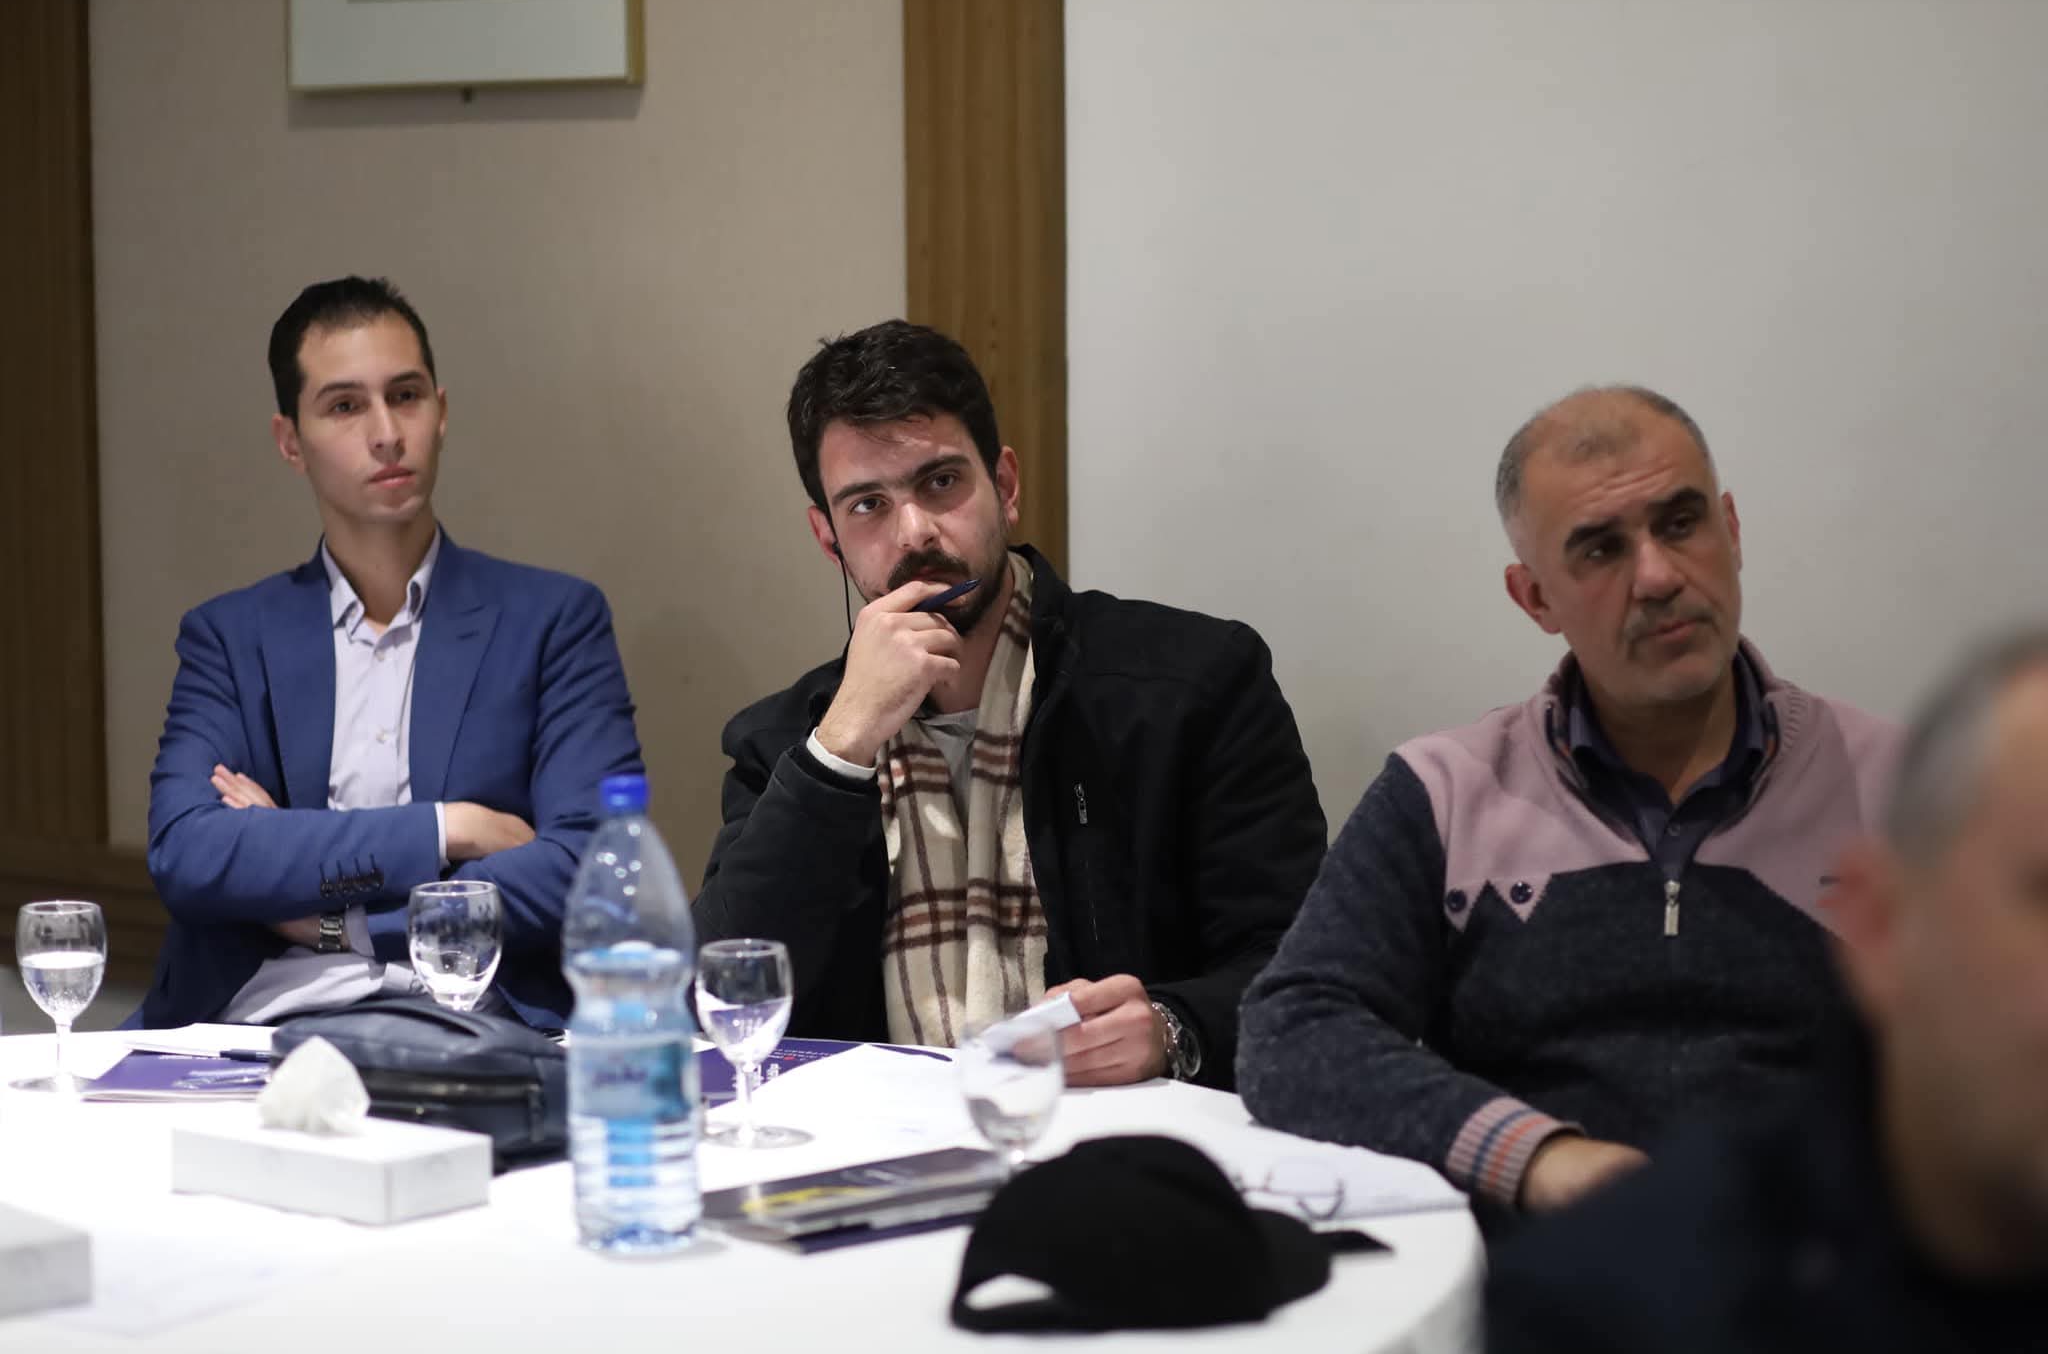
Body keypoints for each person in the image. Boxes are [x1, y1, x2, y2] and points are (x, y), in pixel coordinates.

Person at [1238, 386, 1898, 1213]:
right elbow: (1291, 1030)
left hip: (1820, 1261)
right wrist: (1539, 1158)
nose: (1657, 576)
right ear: (1535, 598)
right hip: (1543, 1260)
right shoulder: (1447, 793)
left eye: (1681, 523)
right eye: (1600, 549)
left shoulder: (1901, 789)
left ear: (1731, 531)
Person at [693, 320, 1325, 1088]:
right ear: (829, 540)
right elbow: (722, 1000)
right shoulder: (787, 742)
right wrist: (842, 748)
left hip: (1119, 1132)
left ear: (1007, 486)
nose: (915, 533)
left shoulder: (1194, 684)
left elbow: (1304, 967)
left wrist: (1172, 1026)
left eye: (940, 483)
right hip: (883, 1140)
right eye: (868, 506)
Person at [1485, 629, 2048, 1353]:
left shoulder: (1870, 764)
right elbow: (1330, 1017)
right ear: (1881, 925)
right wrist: (1532, 1152)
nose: (1656, 579)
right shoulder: (1600, 1307)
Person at [135, 276, 642, 1029]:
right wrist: (448, 828)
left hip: (476, 1020)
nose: (386, 433)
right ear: (290, 441)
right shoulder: (231, 638)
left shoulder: (553, 621)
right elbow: (190, 852)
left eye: (405, 396)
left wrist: (337, 922)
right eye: (345, 406)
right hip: (256, 1024)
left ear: (442, 412)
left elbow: (592, 870)